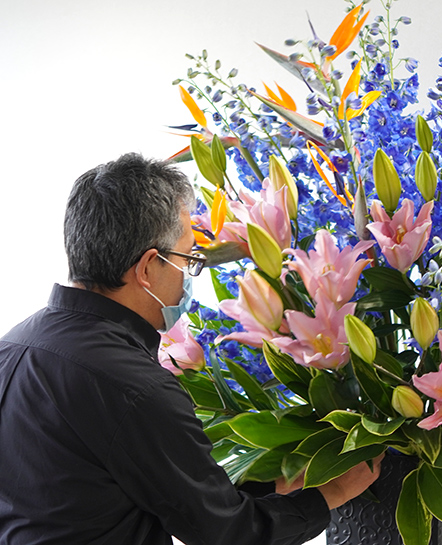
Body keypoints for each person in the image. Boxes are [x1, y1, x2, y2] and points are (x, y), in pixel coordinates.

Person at [0, 153, 382, 545]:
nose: (189, 275)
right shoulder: (133, 386)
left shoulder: (13, 346)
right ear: (148, 267)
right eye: (188, 258)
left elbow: (121, 483)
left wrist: (273, 482)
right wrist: (326, 496)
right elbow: (225, 532)